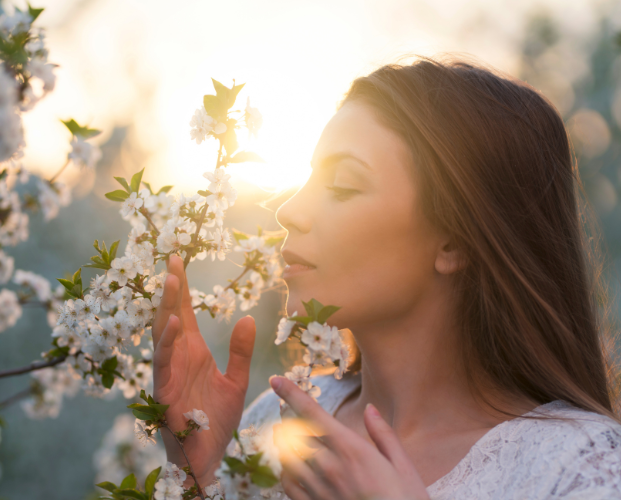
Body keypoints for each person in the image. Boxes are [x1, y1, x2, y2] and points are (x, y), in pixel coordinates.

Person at [150, 56, 621, 500]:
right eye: (307, 180)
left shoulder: (582, 467)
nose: (289, 211)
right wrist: (200, 473)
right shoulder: (278, 423)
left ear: (454, 242)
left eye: (343, 185)